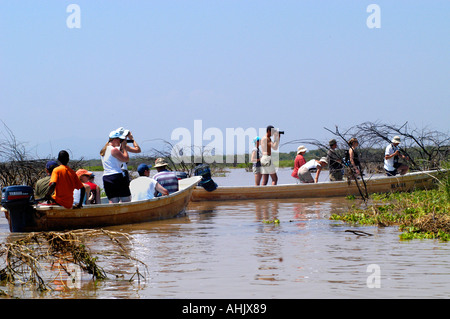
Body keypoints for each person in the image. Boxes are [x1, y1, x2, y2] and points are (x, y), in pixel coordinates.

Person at [100, 128, 132, 203]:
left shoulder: (103, 150)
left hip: (106, 177)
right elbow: (126, 159)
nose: (120, 142)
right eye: (119, 140)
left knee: (112, 200)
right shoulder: (114, 150)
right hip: (116, 176)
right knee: (126, 199)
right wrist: (124, 148)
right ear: (114, 139)